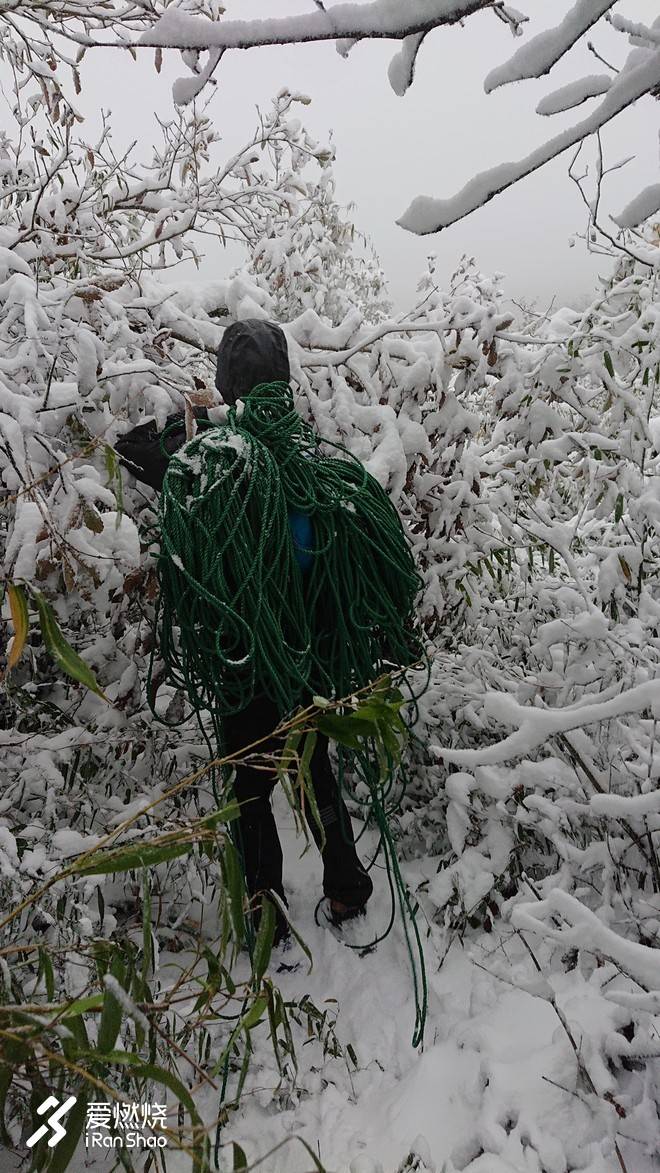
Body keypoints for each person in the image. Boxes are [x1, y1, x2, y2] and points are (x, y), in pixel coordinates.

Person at [116, 319, 373, 943]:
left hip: (242, 664)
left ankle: (267, 918)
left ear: (229, 383)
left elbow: (131, 446)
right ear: (283, 378)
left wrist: (189, 422)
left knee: (250, 790)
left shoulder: (208, 463)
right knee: (315, 768)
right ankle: (346, 890)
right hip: (306, 658)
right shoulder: (311, 460)